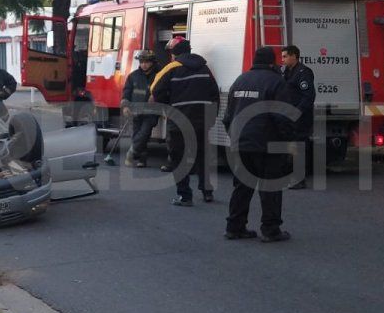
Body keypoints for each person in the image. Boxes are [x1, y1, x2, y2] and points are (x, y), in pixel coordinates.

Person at [223, 46, 293, 242]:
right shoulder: (276, 82)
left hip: (241, 142)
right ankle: (270, 230)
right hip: (267, 143)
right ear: (273, 62)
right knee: (270, 187)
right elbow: (282, 116)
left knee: (242, 187)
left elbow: (228, 116)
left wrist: (234, 136)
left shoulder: (240, 80)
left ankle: (234, 227)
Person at [151, 37, 219, 206]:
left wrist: (167, 105)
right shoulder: (204, 67)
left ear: (174, 53)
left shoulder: (172, 68)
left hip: (179, 120)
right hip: (202, 120)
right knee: (203, 156)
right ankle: (207, 192)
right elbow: (214, 94)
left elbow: (155, 90)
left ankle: (185, 196)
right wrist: (211, 117)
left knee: (179, 158)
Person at [281, 45, 316, 190]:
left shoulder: (303, 72)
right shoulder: (287, 72)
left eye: (285, 56)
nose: (282, 59)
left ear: (294, 56)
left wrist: (297, 112)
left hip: (300, 118)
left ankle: (300, 179)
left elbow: (309, 96)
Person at [121, 50, 159, 167]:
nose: (144, 64)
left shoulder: (159, 76)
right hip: (135, 112)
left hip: (151, 112)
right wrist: (125, 106)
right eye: (142, 62)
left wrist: (156, 96)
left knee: (144, 133)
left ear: (152, 62)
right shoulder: (133, 76)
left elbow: (164, 91)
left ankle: (131, 154)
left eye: (147, 62)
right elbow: (126, 92)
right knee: (137, 135)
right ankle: (142, 160)